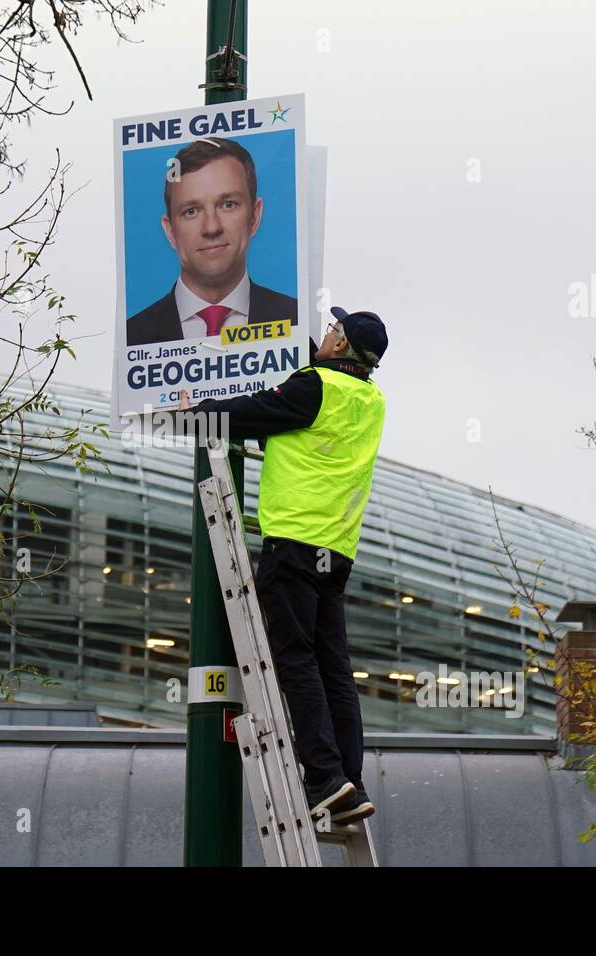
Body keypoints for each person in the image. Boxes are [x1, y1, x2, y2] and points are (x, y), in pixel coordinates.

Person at [179, 307, 388, 824]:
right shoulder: (371, 401)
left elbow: (256, 411)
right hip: (336, 551)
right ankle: (349, 780)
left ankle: (322, 776)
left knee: (295, 659)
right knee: (333, 668)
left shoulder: (313, 386)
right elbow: (298, 433)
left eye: (333, 331)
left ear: (339, 345)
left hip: (294, 541)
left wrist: (195, 409)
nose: (327, 333)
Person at [126, 136, 298, 347]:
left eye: (227, 204)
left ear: (254, 216)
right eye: (191, 211)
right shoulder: (132, 337)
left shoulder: (296, 321)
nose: (211, 227)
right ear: (170, 230)